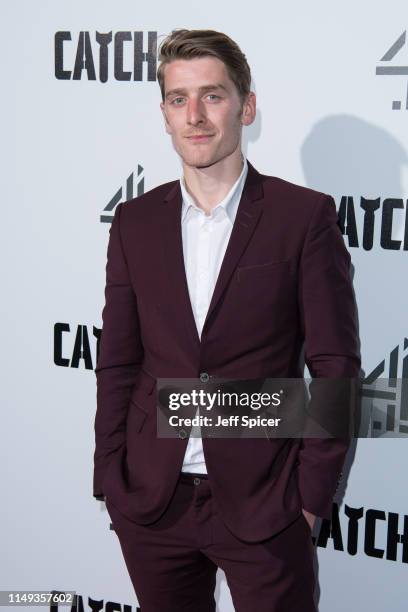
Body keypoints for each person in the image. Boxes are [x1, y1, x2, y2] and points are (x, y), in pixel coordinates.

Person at [93, 28, 360, 612]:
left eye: (212, 96)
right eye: (177, 99)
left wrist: (310, 497)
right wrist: (110, 478)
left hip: (266, 503)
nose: (195, 116)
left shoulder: (303, 217)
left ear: (248, 105)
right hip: (153, 502)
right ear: (163, 113)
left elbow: (335, 366)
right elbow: (117, 361)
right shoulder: (135, 222)